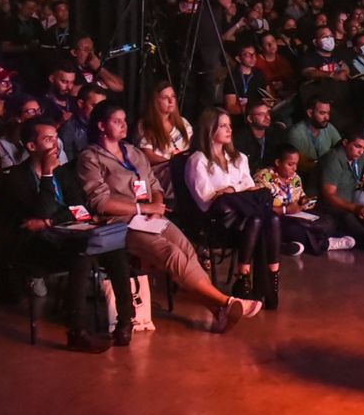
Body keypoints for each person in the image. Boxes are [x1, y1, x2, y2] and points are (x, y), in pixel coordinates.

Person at [75, 101, 261, 333]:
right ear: (102, 126)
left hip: (150, 216)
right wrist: (144, 209)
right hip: (120, 224)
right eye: (117, 121)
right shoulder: (91, 157)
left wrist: (157, 203)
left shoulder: (132, 152)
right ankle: (226, 302)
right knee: (171, 254)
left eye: (124, 120)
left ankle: (217, 311)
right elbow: (100, 202)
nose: (124, 125)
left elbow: (154, 184)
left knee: (186, 249)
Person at [0, 118, 133, 353]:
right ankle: (76, 332)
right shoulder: (16, 178)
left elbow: (80, 209)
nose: (55, 144)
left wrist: (49, 221)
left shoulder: (65, 174)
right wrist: (46, 175)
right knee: (83, 252)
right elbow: (40, 210)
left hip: (62, 235)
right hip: (32, 246)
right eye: (47, 139)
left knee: (113, 247)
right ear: (31, 146)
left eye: (56, 137)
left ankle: (125, 322)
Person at [185, 109, 285, 309]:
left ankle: (256, 278)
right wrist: (236, 193)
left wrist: (231, 190)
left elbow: (250, 187)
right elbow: (207, 200)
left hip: (244, 217)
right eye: (223, 125)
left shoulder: (239, 157)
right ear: (209, 129)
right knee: (259, 214)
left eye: (229, 125)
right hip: (218, 222)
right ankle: (255, 281)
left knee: (264, 216)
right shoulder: (198, 160)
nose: (229, 129)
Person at [136, 82, 192, 185]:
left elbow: (193, 147)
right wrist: (173, 163)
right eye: (165, 97)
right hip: (162, 171)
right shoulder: (146, 125)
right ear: (155, 101)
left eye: (173, 96)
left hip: (185, 168)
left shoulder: (183, 122)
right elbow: (147, 155)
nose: (171, 101)